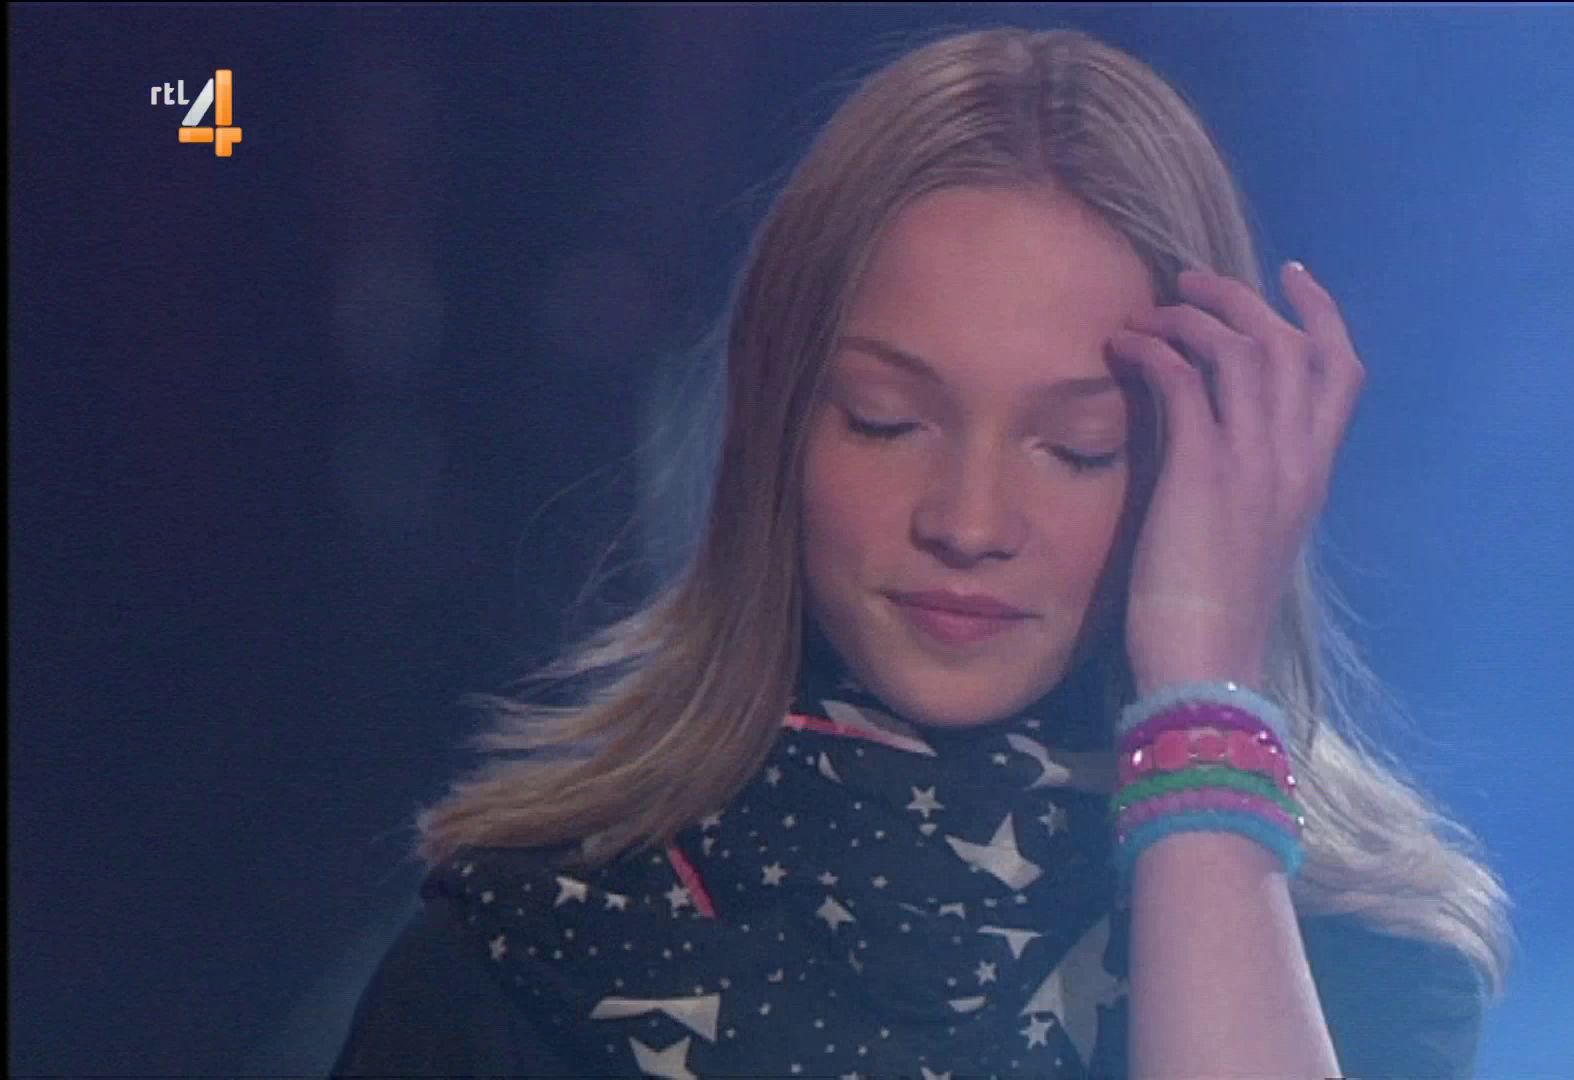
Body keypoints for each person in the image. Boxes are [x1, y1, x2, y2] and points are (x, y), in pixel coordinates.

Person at [332, 25, 1514, 1080]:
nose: (968, 521)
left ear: (1194, 467)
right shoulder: (518, 956)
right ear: (779, 428)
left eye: (1079, 447)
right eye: (886, 422)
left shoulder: (1351, 971)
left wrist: (1203, 687)